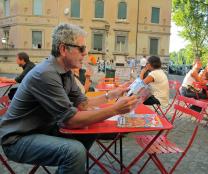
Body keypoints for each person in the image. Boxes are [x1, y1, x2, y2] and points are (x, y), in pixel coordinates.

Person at [0, 23, 137, 174]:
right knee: (74, 152)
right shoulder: (45, 74)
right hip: (17, 139)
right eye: (82, 48)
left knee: (91, 129)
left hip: (43, 129)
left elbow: (83, 103)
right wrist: (115, 109)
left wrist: (110, 95)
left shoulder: (65, 71)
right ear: (63, 49)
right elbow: (70, 120)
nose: (85, 53)